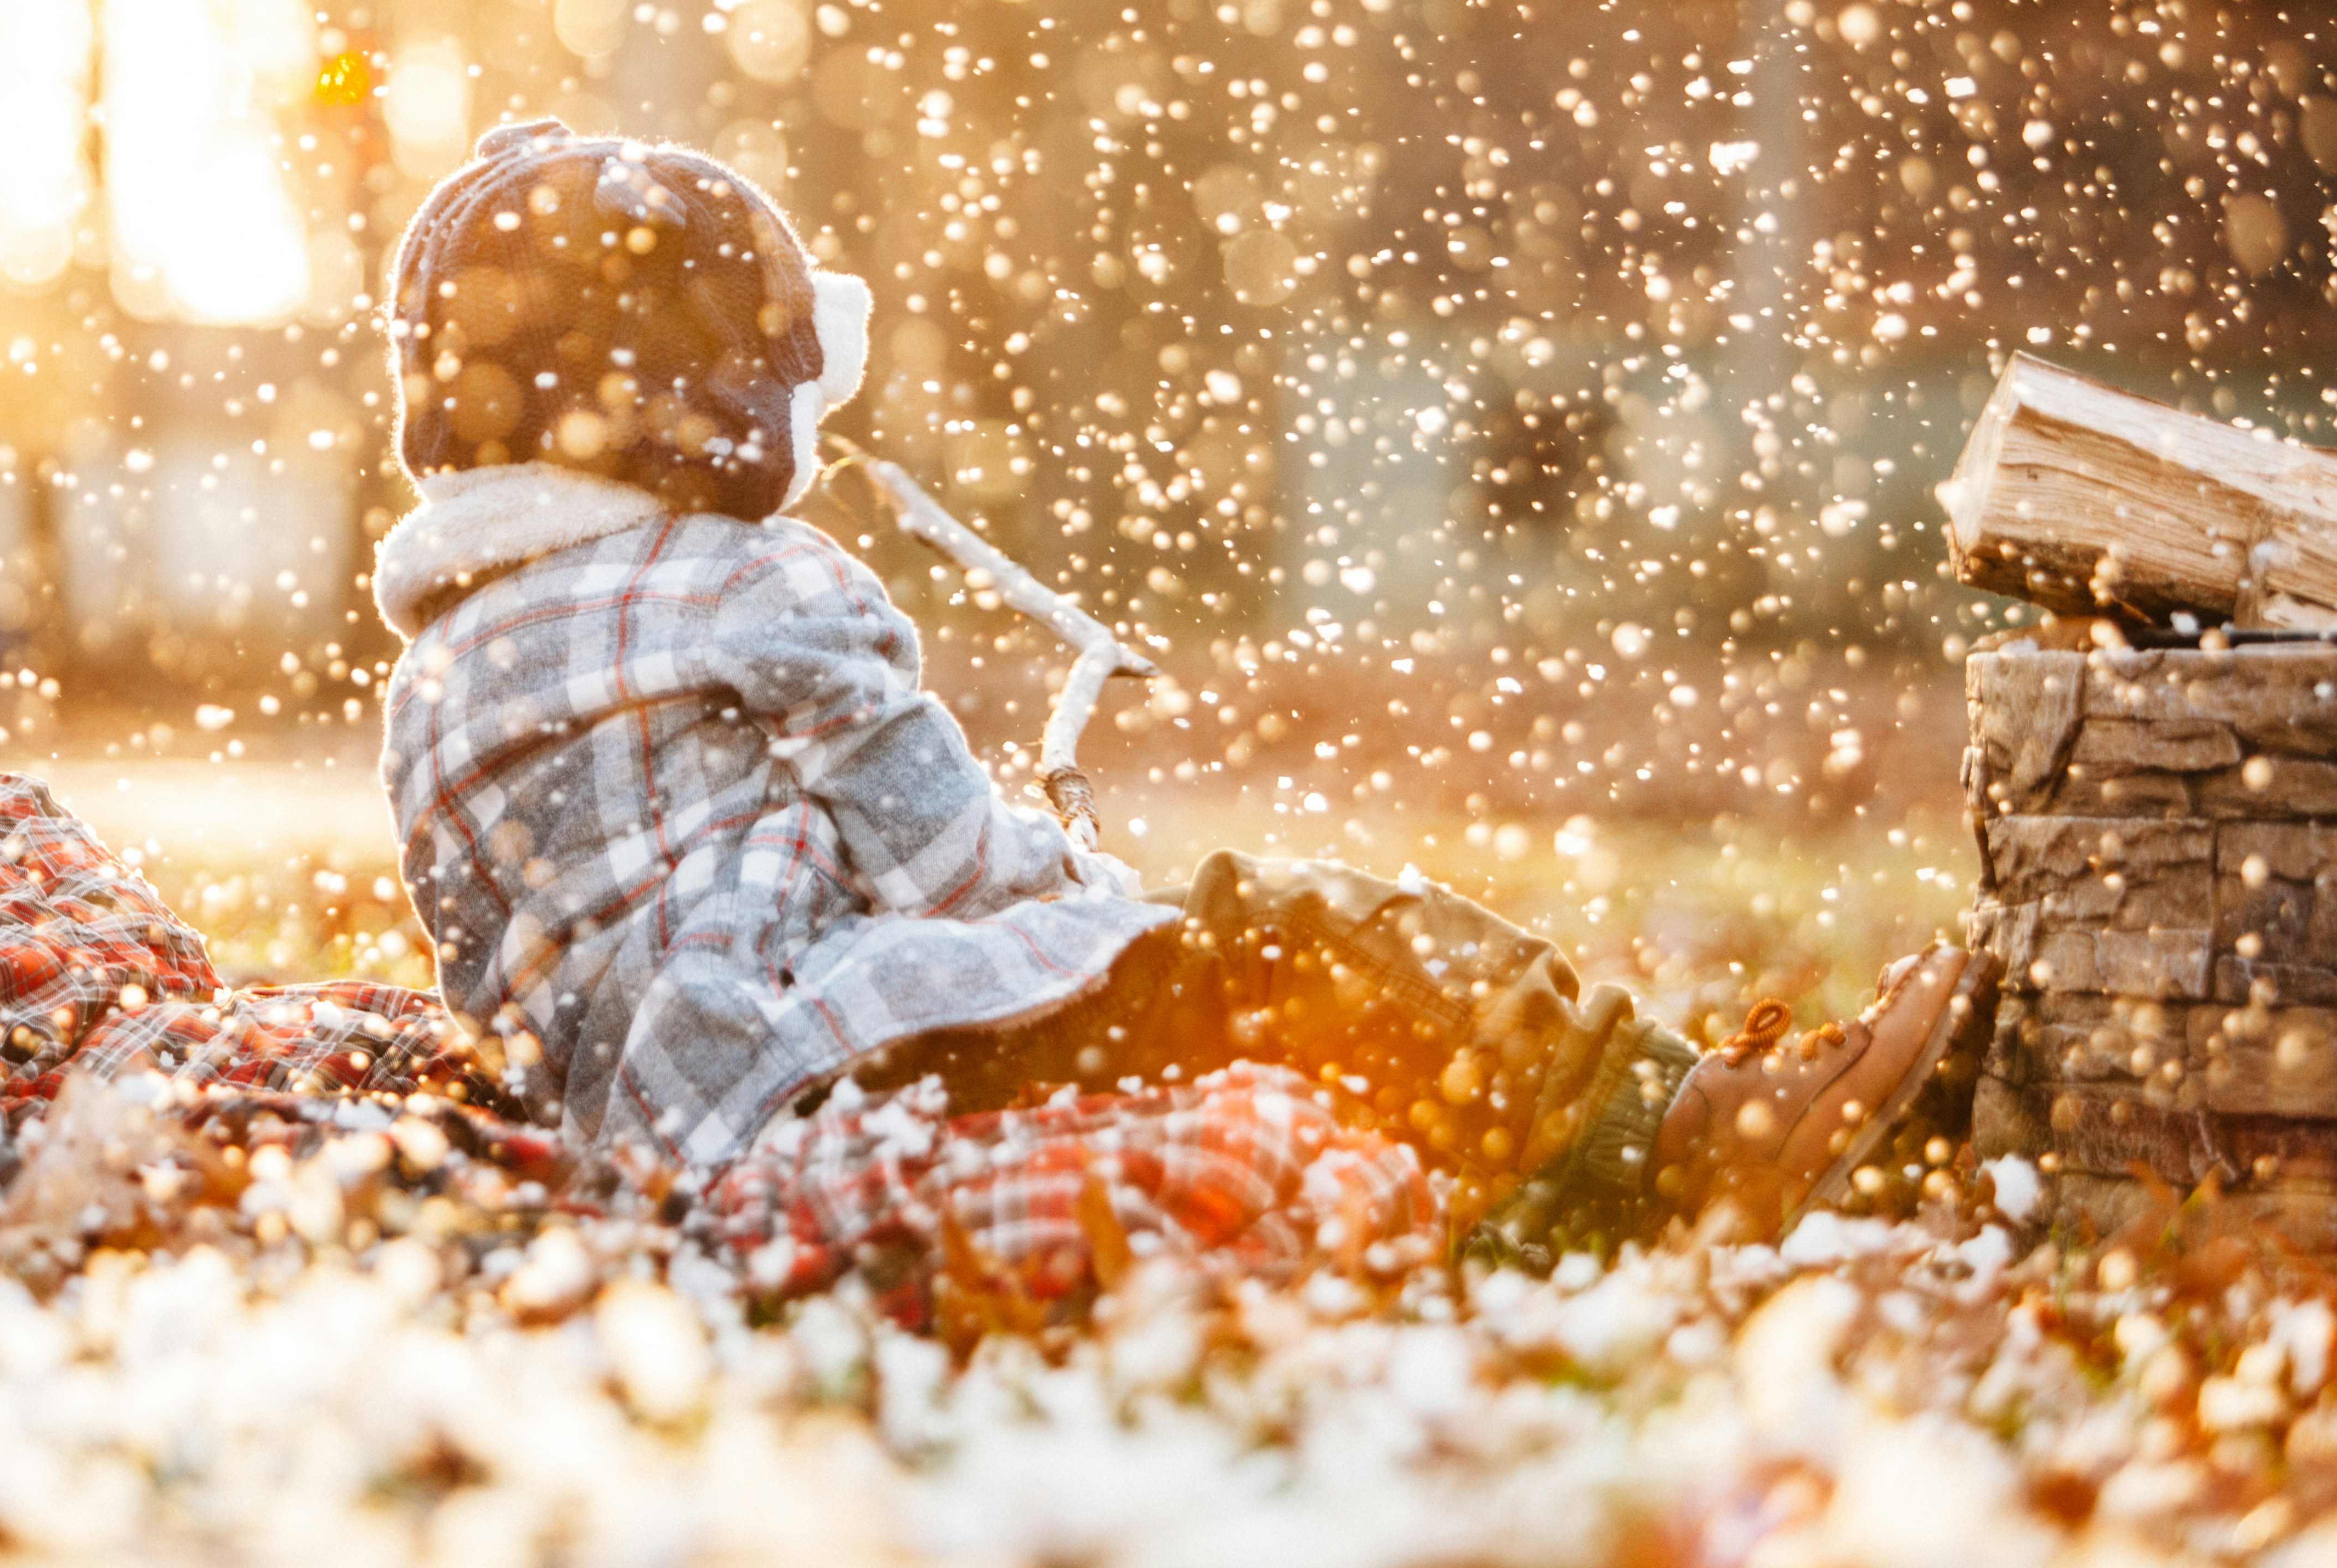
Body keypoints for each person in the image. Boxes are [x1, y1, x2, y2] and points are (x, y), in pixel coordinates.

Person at [373, 120, 1992, 1252]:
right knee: (1309, 939)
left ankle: (1624, 1180)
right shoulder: (760, 588)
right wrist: (1094, 898)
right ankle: (1695, 1129)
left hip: (651, 1118)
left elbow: (499, 969)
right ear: (712, 408)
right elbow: (945, 867)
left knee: (1225, 1004)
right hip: (842, 1053)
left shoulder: (434, 673)